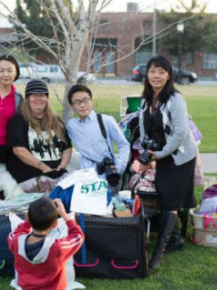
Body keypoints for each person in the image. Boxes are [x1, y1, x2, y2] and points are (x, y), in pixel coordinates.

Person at [135, 55, 198, 270]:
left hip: (180, 157)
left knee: (170, 202)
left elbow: (180, 132)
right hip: (161, 155)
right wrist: (147, 154)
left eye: (161, 72)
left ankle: (158, 254)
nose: (156, 76)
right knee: (163, 196)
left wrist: (159, 155)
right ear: (147, 74)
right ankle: (176, 240)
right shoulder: (146, 100)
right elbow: (145, 130)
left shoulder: (175, 99)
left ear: (168, 75)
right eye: (153, 71)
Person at [7, 197, 95, 290]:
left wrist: (27, 223)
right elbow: (78, 236)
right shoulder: (57, 248)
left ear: (28, 218)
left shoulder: (15, 240)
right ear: (55, 224)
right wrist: (65, 215)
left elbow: (16, 232)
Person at [6, 79, 72, 193]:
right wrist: (44, 167)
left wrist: (62, 165)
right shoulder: (19, 120)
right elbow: (18, 150)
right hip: (32, 176)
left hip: (57, 174)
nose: (38, 98)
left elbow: (67, 148)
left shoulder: (56, 120)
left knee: (77, 191)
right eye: (34, 95)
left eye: (42, 95)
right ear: (27, 98)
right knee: (54, 197)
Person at [66, 84, 130, 193]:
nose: (82, 105)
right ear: (72, 106)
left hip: (107, 173)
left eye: (86, 100)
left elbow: (123, 144)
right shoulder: (72, 126)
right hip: (85, 173)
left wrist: (119, 167)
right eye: (77, 102)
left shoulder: (106, 120)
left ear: (91, 101)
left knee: (108, 205)